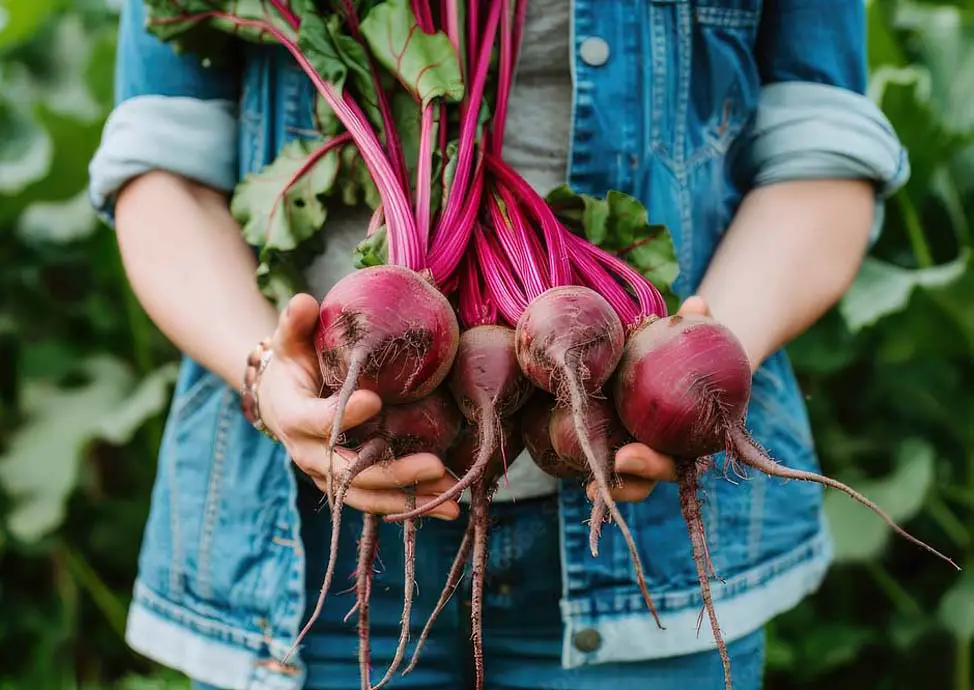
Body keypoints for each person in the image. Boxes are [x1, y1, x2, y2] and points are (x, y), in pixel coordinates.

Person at [88, 0, 908, 688]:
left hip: (649, 562)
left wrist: (689, 362)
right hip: (302, 548)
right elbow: (163, 166)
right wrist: (264, 372)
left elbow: (820, 144)